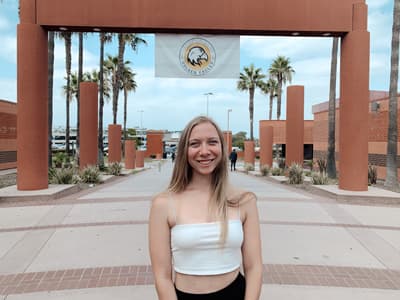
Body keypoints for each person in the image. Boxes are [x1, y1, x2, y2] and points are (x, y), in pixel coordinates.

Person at [149, 116, 262, 300]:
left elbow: (254, 267)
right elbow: (162, 276)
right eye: (195, 144)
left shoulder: (244, 201)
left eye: (212, 142)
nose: (204, 151)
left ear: (222, 147)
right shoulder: (163, 204)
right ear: (184, 151)